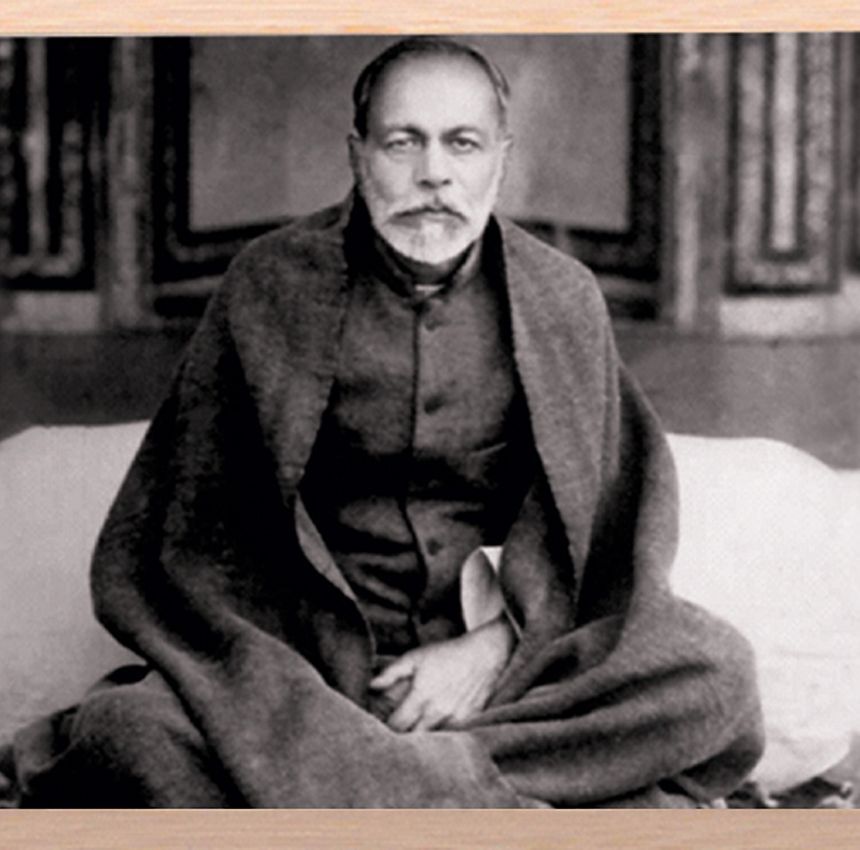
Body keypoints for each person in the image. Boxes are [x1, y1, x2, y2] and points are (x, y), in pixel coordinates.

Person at [7, 36, 763, 808]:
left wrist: (495, 644)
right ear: (358, 154)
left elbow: (598, 534)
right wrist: (292, 682)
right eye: (403, 142)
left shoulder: (560, 299)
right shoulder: (270, 286)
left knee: (715, 677)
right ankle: (463, 794)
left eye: (462, 144)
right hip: (300, 676)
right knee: (126, 732)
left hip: (500, 683)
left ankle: (362, 789)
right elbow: (193, 535)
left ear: (500, 159)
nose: (434, 173)